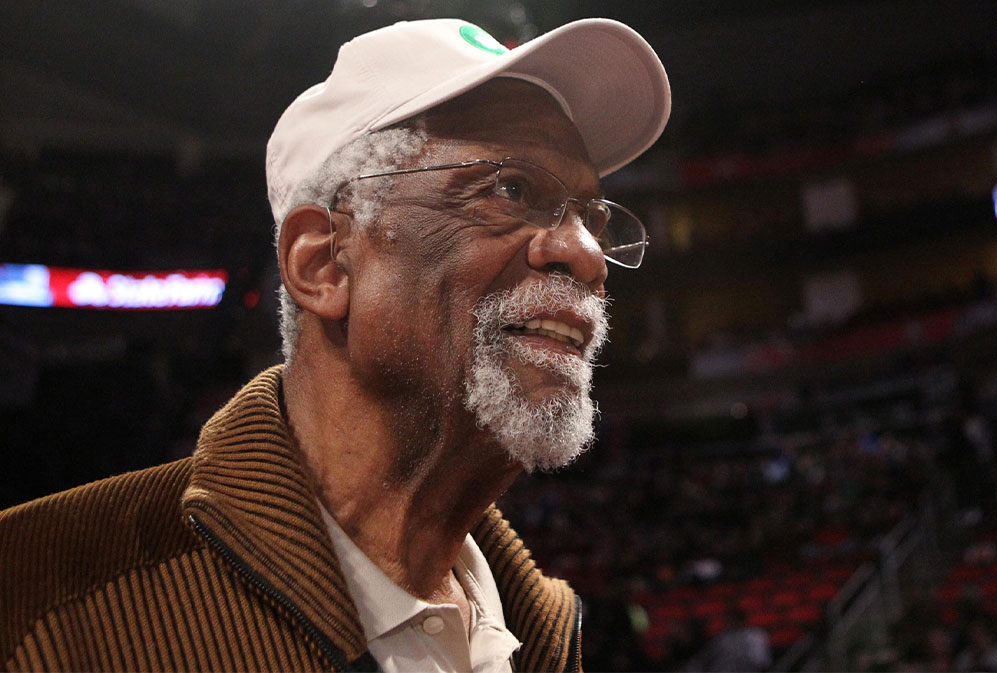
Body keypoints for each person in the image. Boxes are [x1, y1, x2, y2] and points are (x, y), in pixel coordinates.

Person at [0, 17, 669, 673]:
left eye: (593, 217)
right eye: (510, 189)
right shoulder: (37, 598)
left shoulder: (542, 632)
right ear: (324, 263)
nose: (588, 255)